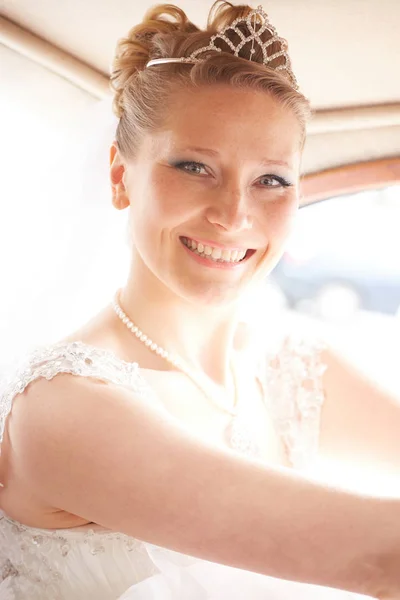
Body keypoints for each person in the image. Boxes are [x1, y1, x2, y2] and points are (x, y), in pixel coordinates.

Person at [0, 2, 399, 599]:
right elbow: (378, 557)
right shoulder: (68, 407)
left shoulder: (294, 369)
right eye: (193, 166)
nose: (234, 214)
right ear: (120, 177)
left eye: (271, 180)